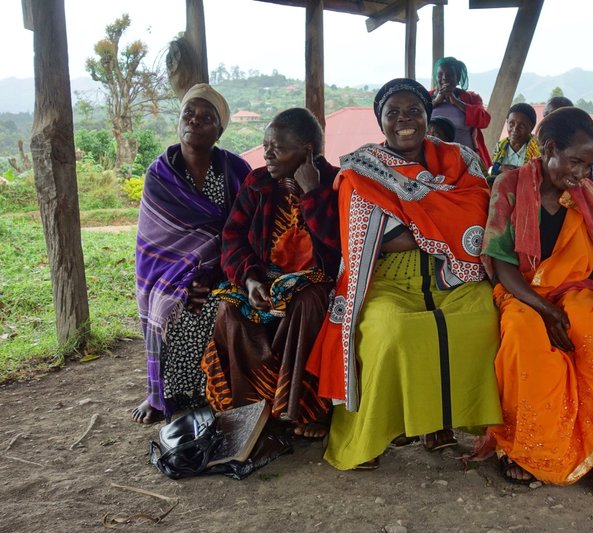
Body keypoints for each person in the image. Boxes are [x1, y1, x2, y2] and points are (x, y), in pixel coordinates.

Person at [307, 78, 502, 471]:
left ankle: (439, 422)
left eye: (413, 111)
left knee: (483, 320)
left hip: (457, 276)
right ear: (380, 121)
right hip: (389, 280)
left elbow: (478, 213)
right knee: (390, 330)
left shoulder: (460, 158)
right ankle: (369, 436)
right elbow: (366, 241)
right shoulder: (361, 170)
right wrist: (439, 220)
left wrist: (409, 224)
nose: (404, 120)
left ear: (427, 117)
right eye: (392, 113)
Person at [481, 107, 593, 498]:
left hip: (571, 288)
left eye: (589, 165)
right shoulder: (509, 186)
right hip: (522, 292)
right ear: (548, 149)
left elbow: (591, 263)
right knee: (525, 338)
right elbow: (502, 266)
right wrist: (545, 310)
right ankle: (528, 449)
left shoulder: (583, 194)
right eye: (576, 161)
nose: (582, 173)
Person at [200, 108, 340, 438]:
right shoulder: (258, 183)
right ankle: (249, 409)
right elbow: (232, 237)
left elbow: (338, 245)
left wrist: (313, 195)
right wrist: (250, 279)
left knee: (308, 303)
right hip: (263, 280)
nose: (267, 153)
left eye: (277, 147)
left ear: (308, 151)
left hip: (317, 285)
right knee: (229, 310)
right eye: (265, 145)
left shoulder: (335, 182)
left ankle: (303, 409)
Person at [132, 84, 251, 423]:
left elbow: (244, 230)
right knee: (170, 306)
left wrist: (213, 275)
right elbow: (154, 243)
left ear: (219, 129)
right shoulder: (160, 173)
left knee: (221, 304)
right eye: (189, 114)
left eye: (206, 117)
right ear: (179, 121)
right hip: (170, 277)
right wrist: (185, 284)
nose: (195, 121)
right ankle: (165, 393)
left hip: (227, 269)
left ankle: (214, 390)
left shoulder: (235, 170)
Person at [430, 57, 492, 167]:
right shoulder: (426, 97)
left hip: (466, 160)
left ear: (458, 78)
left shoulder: (472, 98)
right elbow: (415, 118)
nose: (444, 78)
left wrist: (456, 102)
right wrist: (436, 101)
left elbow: (484, 121)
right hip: (433, 158)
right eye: (440, 75)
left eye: (449, 75)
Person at [488, 103, 540, 180]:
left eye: (522, 126)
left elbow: (540, 175)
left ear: (531, 127)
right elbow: (489, 169)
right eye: (511, 124)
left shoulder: (537, 148)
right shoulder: (500, 146)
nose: (515, 129)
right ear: (507, 122)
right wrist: (500, 168)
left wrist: (520, 172)